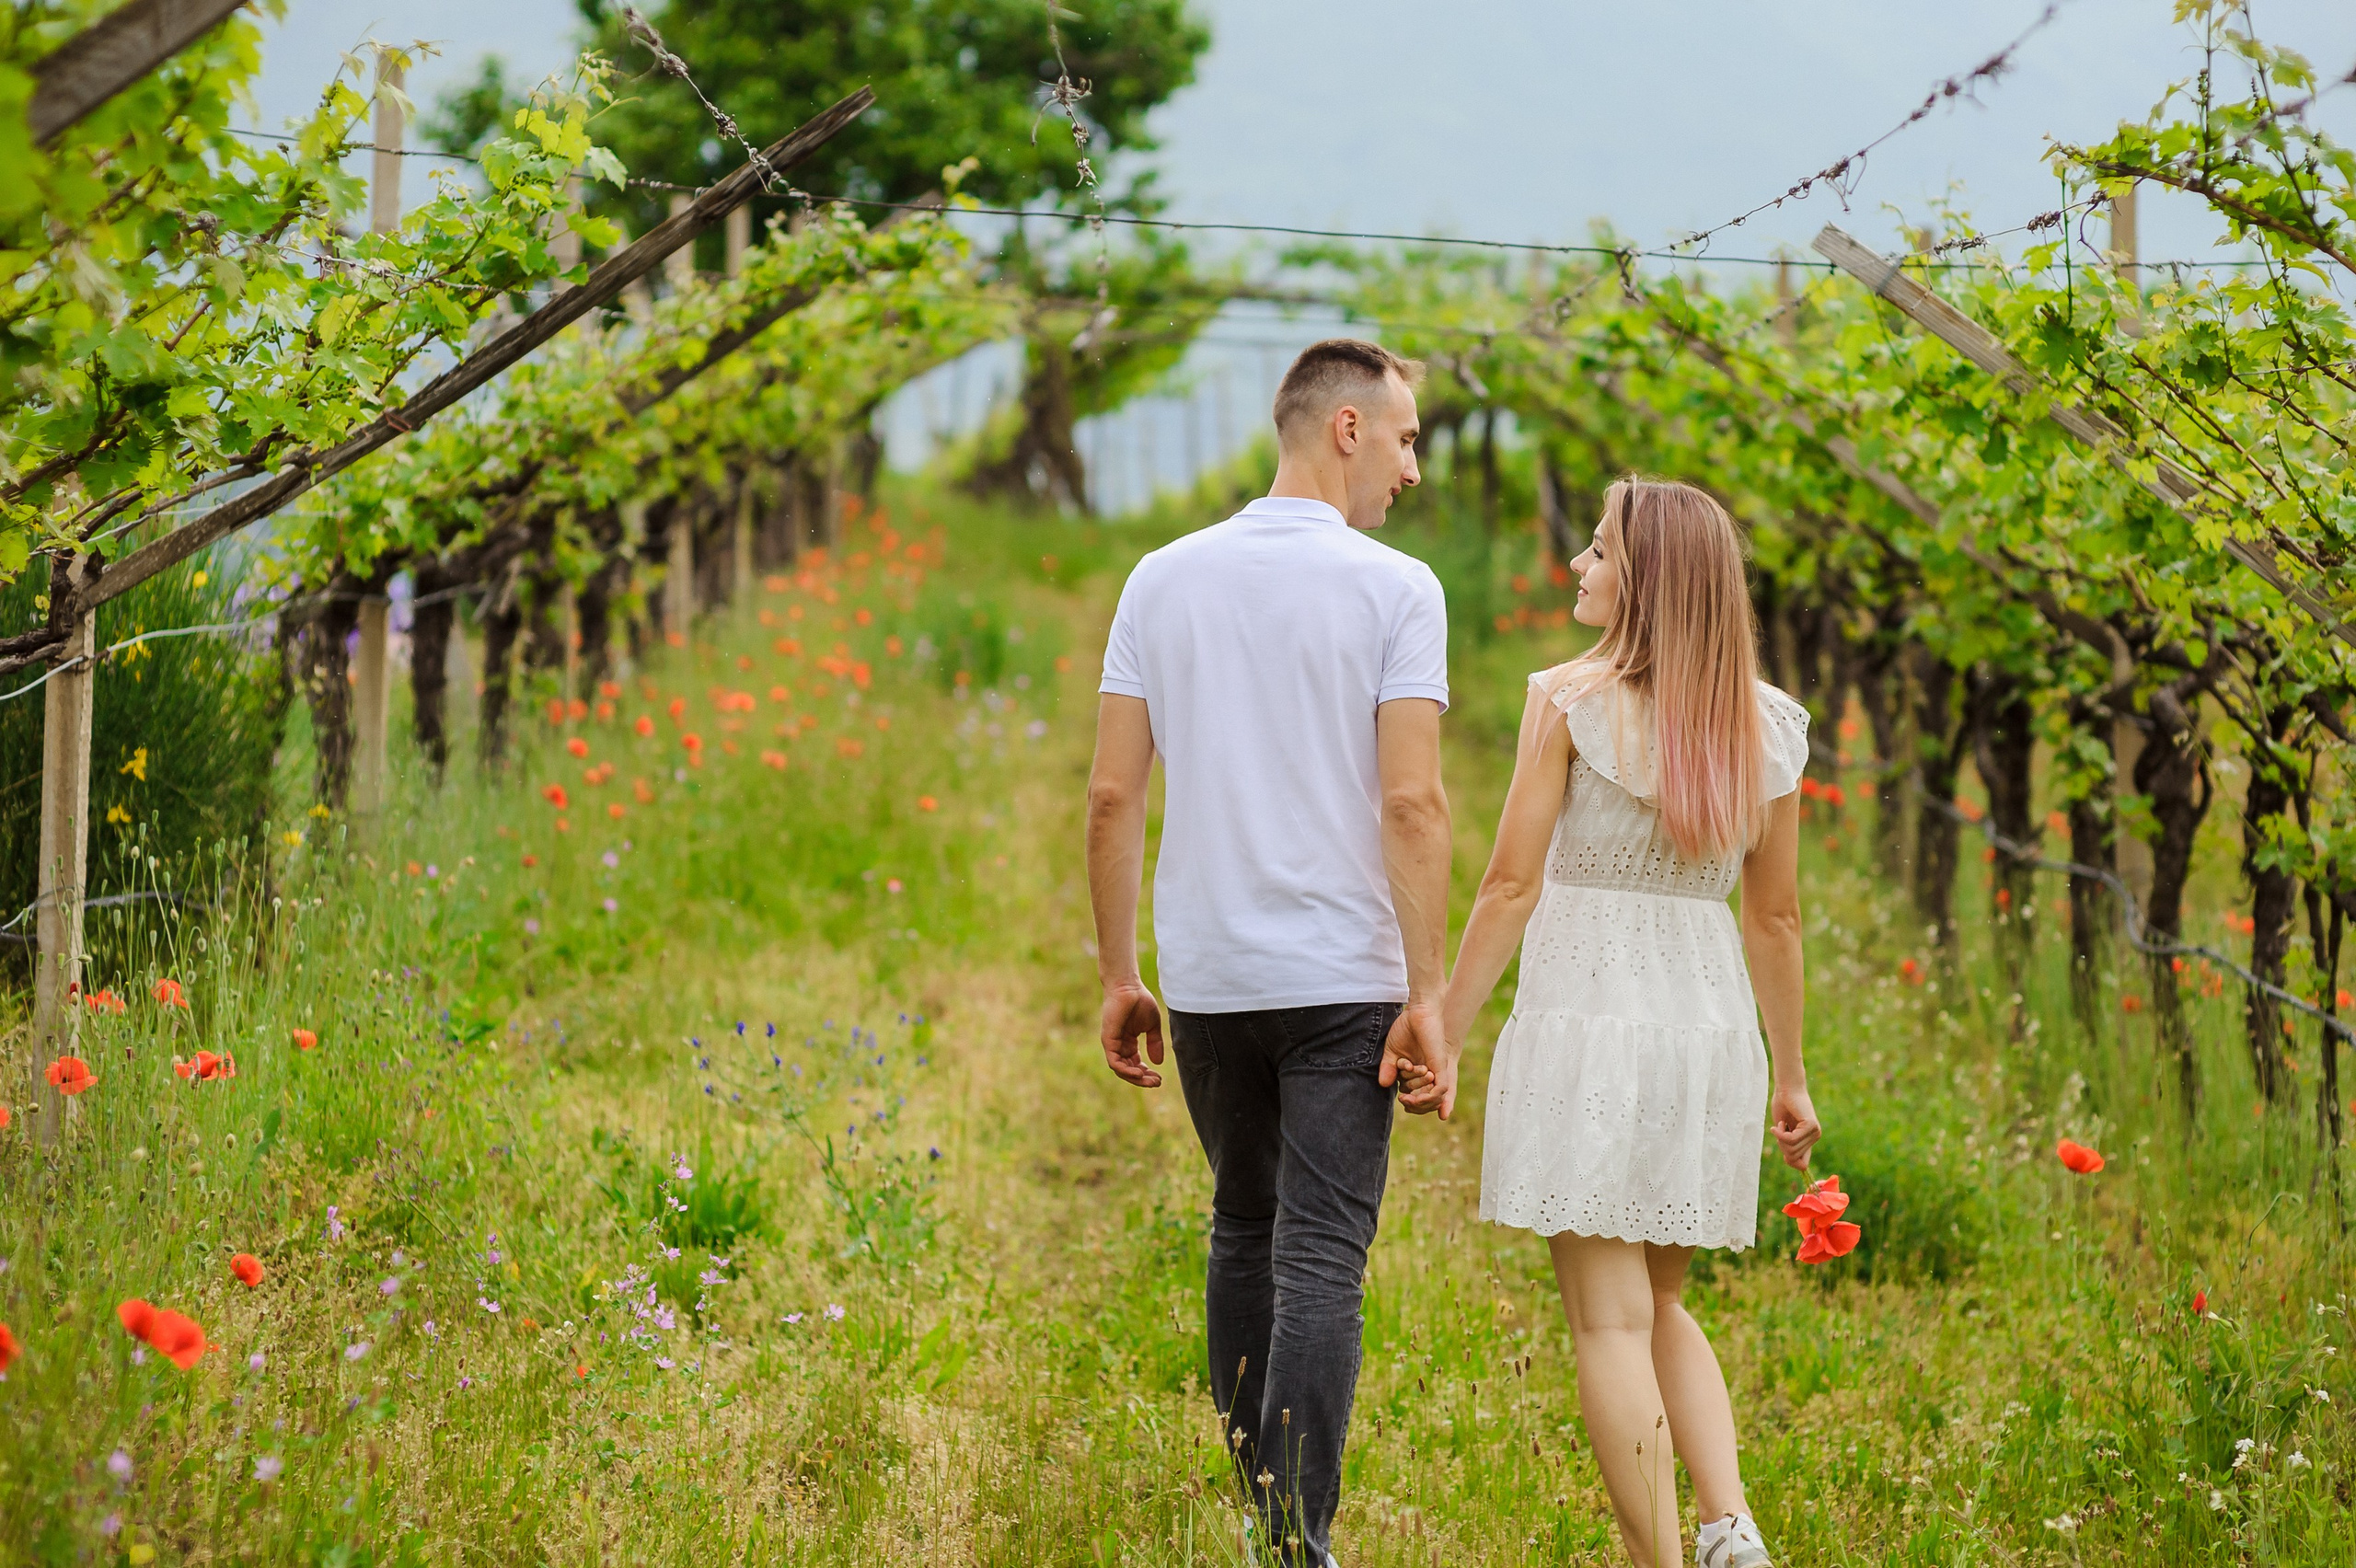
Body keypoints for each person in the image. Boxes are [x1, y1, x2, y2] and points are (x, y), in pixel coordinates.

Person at [1085, 339, 1453, 1567]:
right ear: (1344, 428)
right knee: (1319, 1262)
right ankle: (1295, 1540)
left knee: (1245, 1227)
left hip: (1210, 974)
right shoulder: (1398, 592)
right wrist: (1430, 992)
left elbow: (1109, 797)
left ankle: (1263, 1514)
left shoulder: (1161, 578)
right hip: (1345, 977)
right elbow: (1413, 808)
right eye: (1405, 437)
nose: (1412, 467)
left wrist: (1119, 972)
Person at [1422, 477, 1819, 1568]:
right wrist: (1790, 1076)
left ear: (1642, 579)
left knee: (1607, 1322)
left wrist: (1445, 1029)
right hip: (1705, 1030)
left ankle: (1660, 1562)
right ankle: (1729, 1529)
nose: (1577, 569)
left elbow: (1508, 887)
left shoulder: (1567, 700)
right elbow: (1773, 919)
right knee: (1661, 1300)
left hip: (1591, 1017)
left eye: (1596, 552)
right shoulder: (1768, 726)